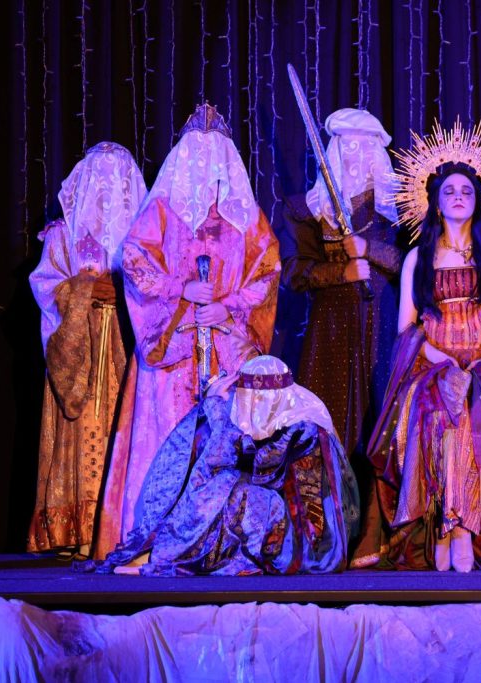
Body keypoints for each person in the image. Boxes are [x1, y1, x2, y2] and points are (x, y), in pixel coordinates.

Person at [367, 121, 481, 572]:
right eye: (449, 190)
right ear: (435, 201)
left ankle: (463, 529)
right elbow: (406, 329)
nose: (457, 196)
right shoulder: (418, 258)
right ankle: (447, 527)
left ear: (478, 200)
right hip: (431, 364)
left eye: (466, 191)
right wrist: (438, 358)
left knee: (473, 410)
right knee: (446, 411)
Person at [94, 104, 281, 558]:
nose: (207, 164)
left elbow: (267, 273)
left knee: (224, 444)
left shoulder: (246, 218)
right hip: (173, 355)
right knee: (165, 444)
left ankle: (220, 545)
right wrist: (180, 290)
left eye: (215, 154)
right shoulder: (161, 212)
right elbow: (135, 264)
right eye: (198, 154)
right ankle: (155, 543)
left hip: (225, 354)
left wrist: (226, 308)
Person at [86, 356, 358, 576]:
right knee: (220, 482)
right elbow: (227, 455)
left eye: (256, 399)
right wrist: (211, 410)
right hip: (273, 511)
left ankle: (169, 559)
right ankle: (164, 555)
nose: (249, 407)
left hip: (306, 537)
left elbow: (261, 465)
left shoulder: (305, 429)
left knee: (234, 490)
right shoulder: (267, 421)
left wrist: (216, 410)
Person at [282, 108, 402, 568]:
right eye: (346, 146)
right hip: (329, 331)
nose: (355, 155)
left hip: (382, 326)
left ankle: (375, 532)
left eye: (364, 146)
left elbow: (414, 260)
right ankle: (323, 532)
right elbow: (294, 272)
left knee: (380, 421)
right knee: (328, 422)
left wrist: (371, 251)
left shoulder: (397, 209)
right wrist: (341, 272)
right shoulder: (308, 209)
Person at [27, 142, 146, 555]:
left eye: (118, 179)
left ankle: (119, 531)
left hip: (125, 344)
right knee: (78, 436)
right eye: (100, 178)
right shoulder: (63, 234)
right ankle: (75, 533)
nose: (107, 188)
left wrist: (122, 290)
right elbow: (46, 284)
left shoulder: (142, 236)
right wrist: (84, 289)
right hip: (79, 349)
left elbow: (155, 286)